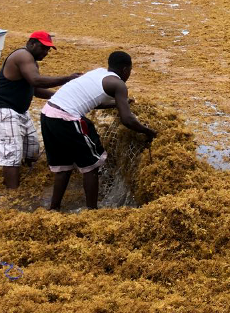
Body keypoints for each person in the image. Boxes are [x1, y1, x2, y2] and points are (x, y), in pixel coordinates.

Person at [40, 50, 156, 210]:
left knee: (63, 167)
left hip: (48, 114)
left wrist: (117, 103)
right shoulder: (119, 84)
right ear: (125, 70)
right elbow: (127, 120)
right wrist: (149, 132)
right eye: (130, 70)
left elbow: (93, 101)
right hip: (66, 118)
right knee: (92, 165)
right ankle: (92, 211)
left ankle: (54, 208)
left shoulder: (98, 73)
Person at [0, 31, 80, 189]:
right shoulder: (23, 55)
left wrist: (58, 97)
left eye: (48, 49)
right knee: (11, 154)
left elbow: (35, 89)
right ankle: (13, 194)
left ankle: (27, 182)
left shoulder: (32, 62)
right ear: (31, 43)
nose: (46, 52)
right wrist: (67, 79)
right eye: (43, 48)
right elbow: (36, 81)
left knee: (32, 149)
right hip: (2, 109)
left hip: (19, 110)